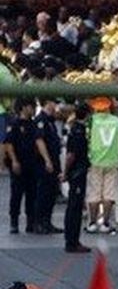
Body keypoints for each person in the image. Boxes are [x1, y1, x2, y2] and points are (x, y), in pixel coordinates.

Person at [85, 96, 118, 234]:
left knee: (94, 193)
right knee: (109, 194)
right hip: (112, 160)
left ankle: (92, 223)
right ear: (108, 107)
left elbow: (87, 137)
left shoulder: (91, 120)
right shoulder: (116, 120)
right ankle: (105, 223)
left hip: (95, 160)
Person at [3, 98, 39, 234]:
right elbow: (9, 143)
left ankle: (30, 222)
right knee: (17, 194)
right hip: (19, 163)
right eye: (31, 106)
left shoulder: (33, 124)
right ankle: (14, 222)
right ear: (24, 107)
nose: (33, 109)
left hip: (31, 163)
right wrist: (14, 161)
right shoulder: (15, 124)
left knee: (31, 194)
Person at [63, 101, 91, 252]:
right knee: (75, 207)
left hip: (76, 171)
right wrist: (66, 172)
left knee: (74, 207)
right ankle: (72, 241)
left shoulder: (75, 129)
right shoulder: (79, 132)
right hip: (77, 172)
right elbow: (71, 155)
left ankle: (72, 239)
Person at [32, 96, 61, 234]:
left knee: (51, 193)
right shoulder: (41, 120)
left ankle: (47, 222)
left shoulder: (50, 120)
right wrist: (47, 160)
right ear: (47, 102)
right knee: (42, 194)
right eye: (54, 102)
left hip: (53, 161)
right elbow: (39, 141)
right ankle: (38, 223)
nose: (55, 105)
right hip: (44, 163)